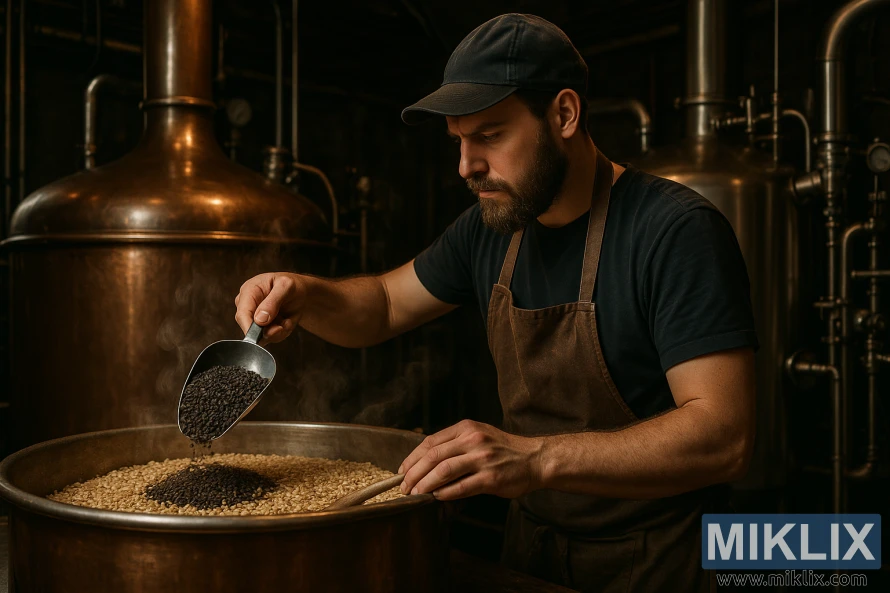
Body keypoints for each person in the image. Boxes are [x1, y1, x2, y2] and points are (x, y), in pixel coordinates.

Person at [234, 13, 757, 592]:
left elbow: (723, 435)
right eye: (459, 140)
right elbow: (383, 303)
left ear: (564, 114)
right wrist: (306, 294)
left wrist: (533, 459)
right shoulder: (490, 228)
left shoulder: (674, 231)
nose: (466, 166)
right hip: (530, 551)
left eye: (489, 135)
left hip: (660, 562)